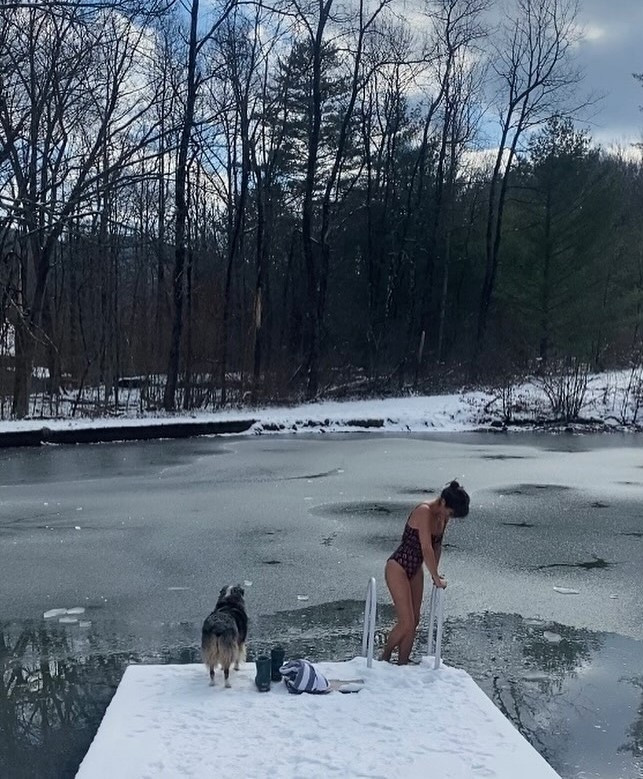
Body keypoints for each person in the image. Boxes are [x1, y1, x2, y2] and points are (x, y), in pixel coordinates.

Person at [381, 480, 470, 664]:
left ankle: (402, 663)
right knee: (406, 621)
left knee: (415, 622)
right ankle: (384, 657)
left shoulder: (442, 518)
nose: (450, 517)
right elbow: (426, 547)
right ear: (444, 503)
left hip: (415, 568)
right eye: (451, 513)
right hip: (398, 566)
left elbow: (437, 546)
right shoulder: (425, 511)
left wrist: (434, 573)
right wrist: (436, 578)